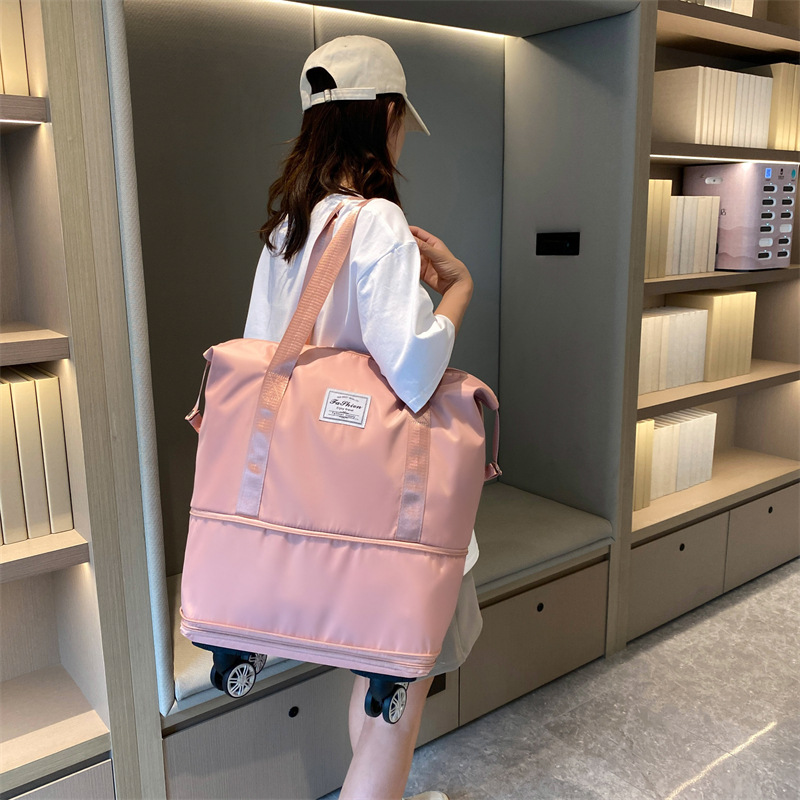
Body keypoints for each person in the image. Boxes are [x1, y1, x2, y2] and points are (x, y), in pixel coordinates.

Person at [244, 35, 482, 800]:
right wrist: (457, 290)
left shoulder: (287, 230)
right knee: (397, 694)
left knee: (374, 677)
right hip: (388, 513)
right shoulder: (374, 222)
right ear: (384, 115)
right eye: (401, 120)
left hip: (315, 506)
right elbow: (414, 375)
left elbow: (261, 359)